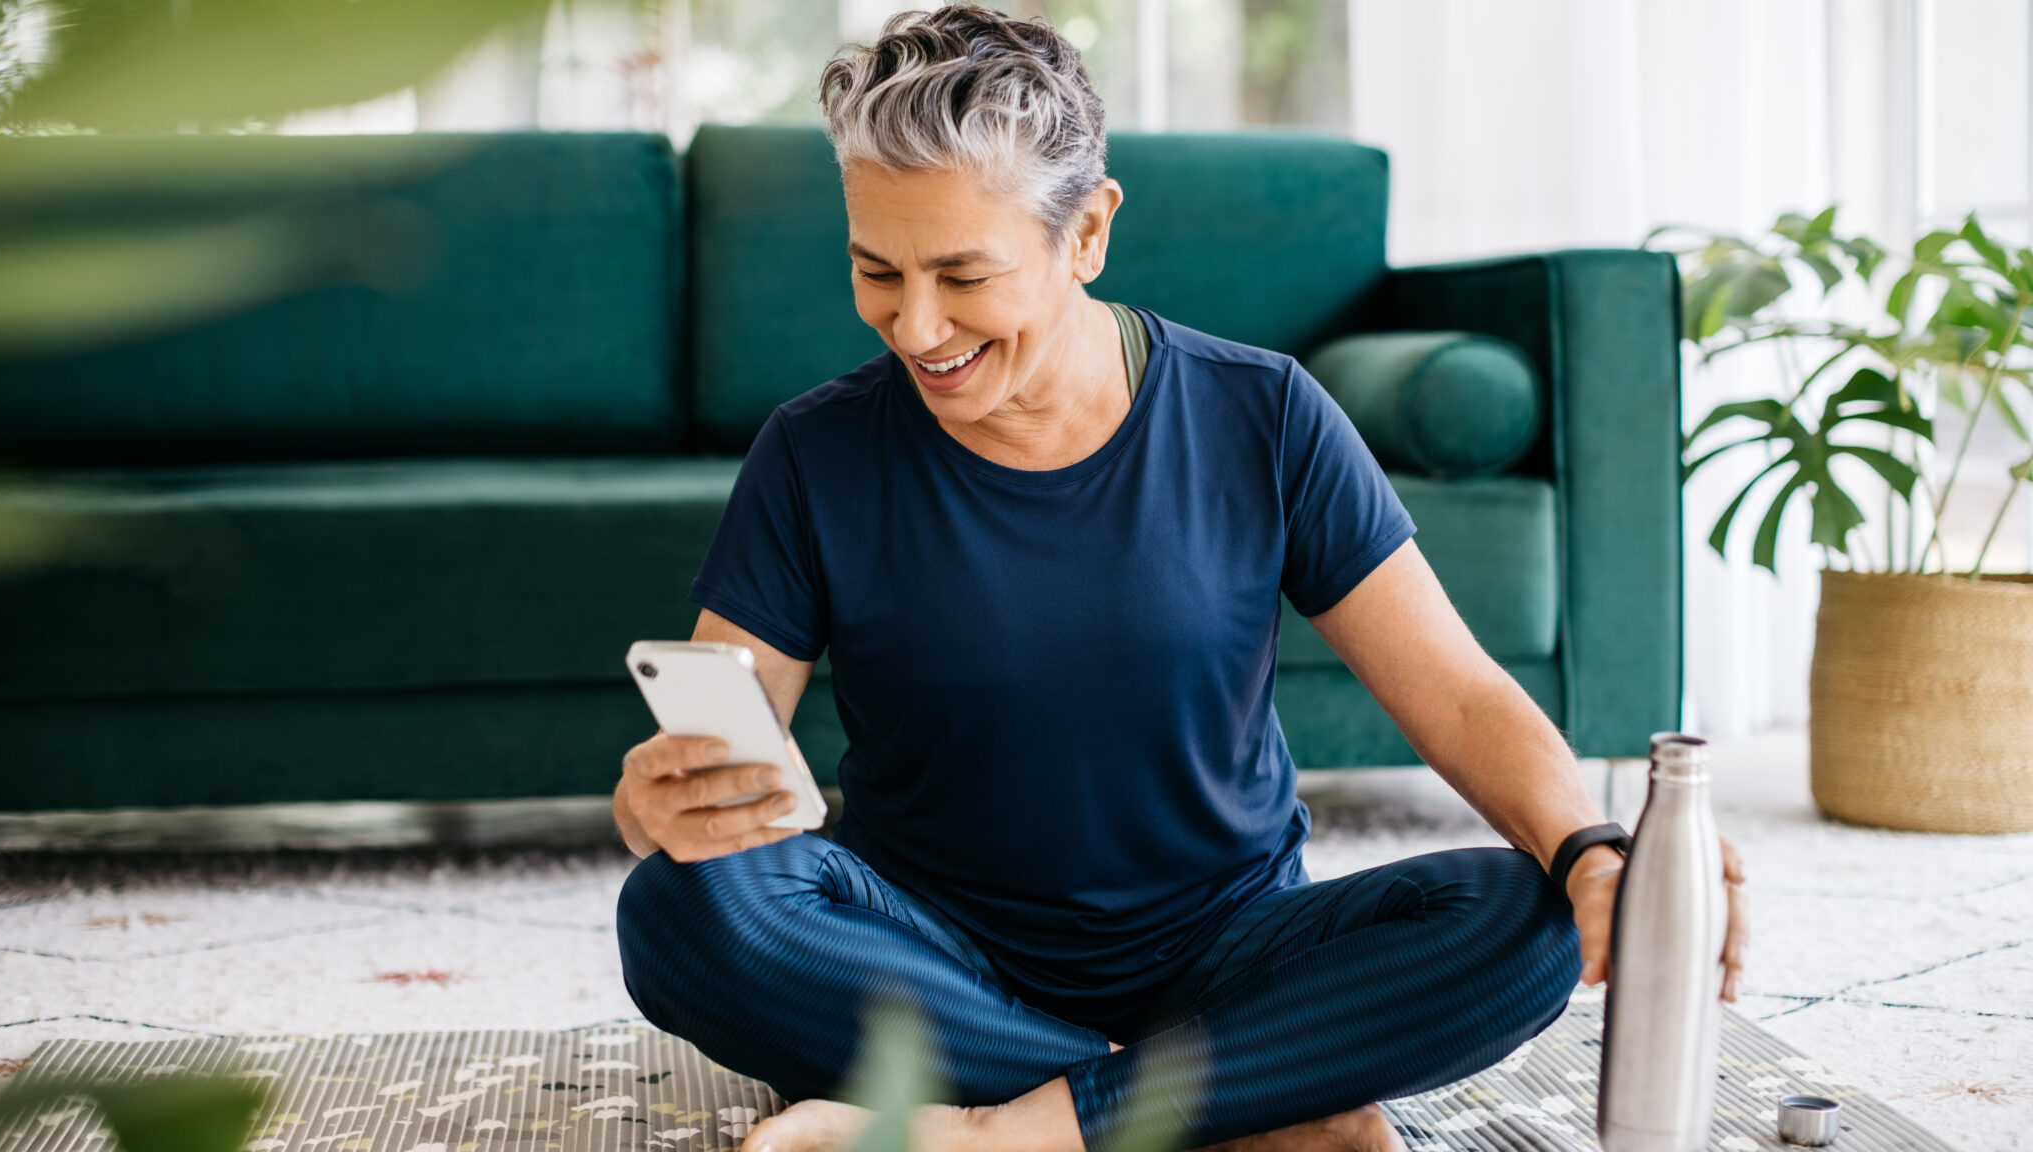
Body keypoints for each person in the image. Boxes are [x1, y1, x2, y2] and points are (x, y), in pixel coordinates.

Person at [612, 7, 1747, 1152]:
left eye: (963, 274)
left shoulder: (1261, 414)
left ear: (1087, 231)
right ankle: (1219, 1110)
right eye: (875, 270)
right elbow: (729, 770)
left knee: (1525, 922)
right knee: (681, 909)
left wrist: (1592, 853)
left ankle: (990, 1132)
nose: (914, 326)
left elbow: (1454, 693)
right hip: (932, 960)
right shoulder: (816, 452)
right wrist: (657, 804)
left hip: (1225, 956)